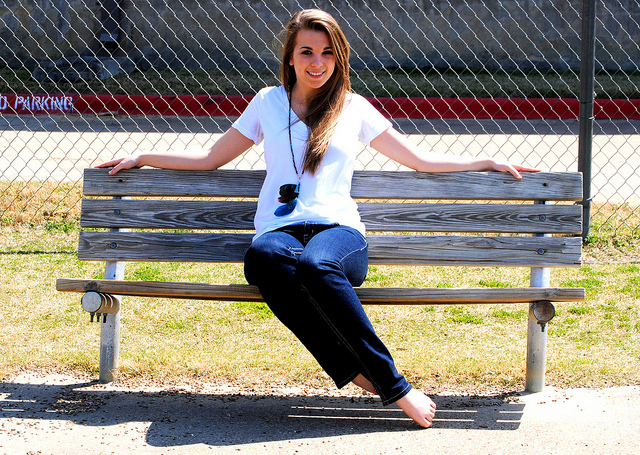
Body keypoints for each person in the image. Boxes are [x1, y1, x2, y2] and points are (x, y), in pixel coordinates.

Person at [96, 9, 538, 428]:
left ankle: (392, 384)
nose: (317, 62)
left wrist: (486, 161)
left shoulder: (353, 107)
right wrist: (143, 156)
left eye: (327, 53)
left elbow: (419, 160)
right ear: (290, 57)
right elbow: (211, 157)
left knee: (316, 265)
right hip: (281, 233)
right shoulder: (268, 103)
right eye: (307, 51)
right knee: (264, 259)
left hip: (339, 235)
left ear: (338, 57)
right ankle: (353, 369)